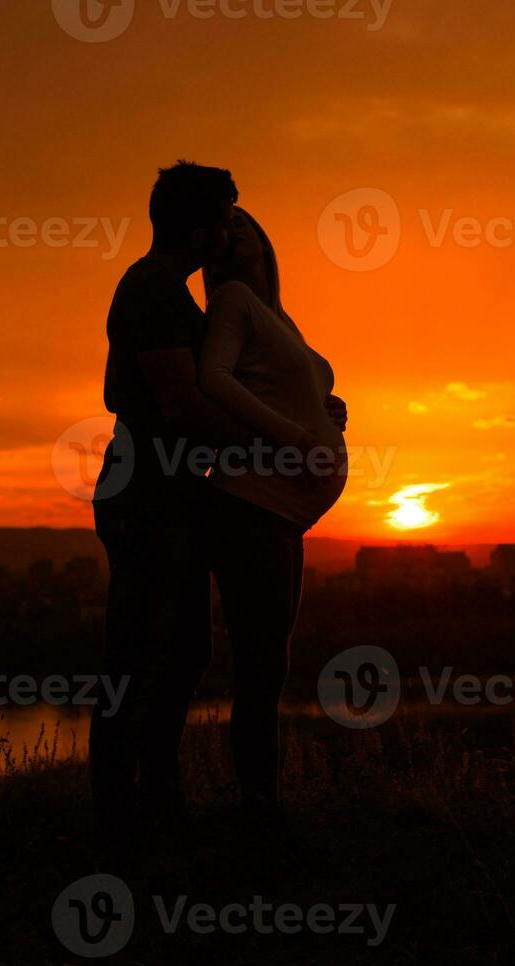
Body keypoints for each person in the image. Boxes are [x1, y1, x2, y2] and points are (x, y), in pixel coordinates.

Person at [90, 160, 252, 845]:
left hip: (173, 494)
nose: (229, 233)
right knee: (138, 654)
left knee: (183, 653)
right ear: (199, 227)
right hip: (147, 495)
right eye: (223, 220)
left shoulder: (169, 294)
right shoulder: (152, 289)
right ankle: (116, 815)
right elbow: (181, 401)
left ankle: (157, 796)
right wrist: (264, 444)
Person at [198, 205, 349, 823]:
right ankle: (258, 809)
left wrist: (326, 409)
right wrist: (296, 437)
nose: (234, 234)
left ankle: (265, 802)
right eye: (221, 226)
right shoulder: (232, 298)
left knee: (273, 664)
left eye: (244, 223)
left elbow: (279, 386)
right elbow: (214, 378)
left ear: (264, 238)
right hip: (249, 504)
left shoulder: (277, 316)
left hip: (283, 512)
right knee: (260, 666)